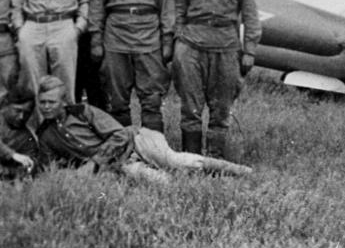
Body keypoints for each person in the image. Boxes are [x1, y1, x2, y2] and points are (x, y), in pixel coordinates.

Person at [35, 76, 251, 184]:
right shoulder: (45, 135)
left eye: (51, 102)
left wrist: (94, 162)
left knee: (174, 160)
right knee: (159, 181)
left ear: (63, 101)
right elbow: (50, 168)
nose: (46, 107)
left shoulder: (82, 112)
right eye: (42, 102)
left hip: (137, 141)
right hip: (118, 164)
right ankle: (207, 182)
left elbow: (120, 134)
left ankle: (239, 171)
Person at [172, 0, 262, 159]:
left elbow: (251, 16)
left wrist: (250, 51)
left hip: (225, 48)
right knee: (190, 107)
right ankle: (191, 159)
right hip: (191, 46)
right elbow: (178, 10)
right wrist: (179, 40)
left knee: (221, 110)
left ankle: (214, 162)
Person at [88, 0, 175, 132]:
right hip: (116, 36)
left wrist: (167, 41)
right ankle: (122, 147)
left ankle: (154, 148)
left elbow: (167, 6)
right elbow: (97, 3)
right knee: (116, 100)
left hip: (149, 37)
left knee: (152, 100)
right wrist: (96, 39)